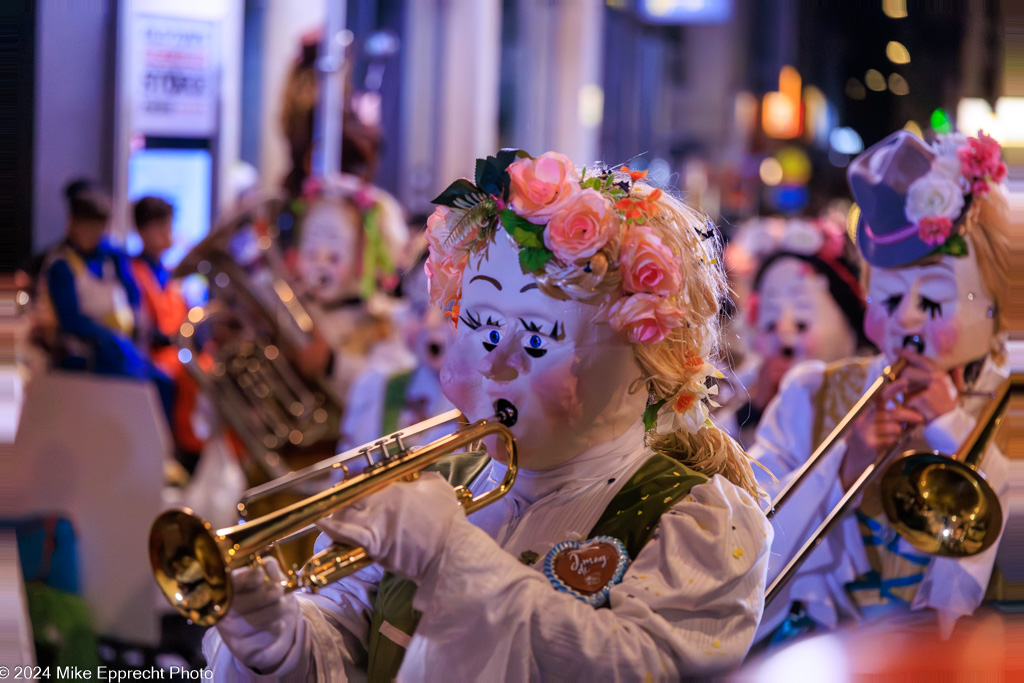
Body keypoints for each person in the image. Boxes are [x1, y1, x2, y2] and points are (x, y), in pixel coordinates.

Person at [202, 151, 774, 679]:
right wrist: (277, 640)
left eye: (539, 336)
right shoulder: (436, 482)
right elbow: (351, 644)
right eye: (482, 326)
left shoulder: (700, 520)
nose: (496, 362)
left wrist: (453, 556)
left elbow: (638, 664)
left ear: (642, 366)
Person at [751, 130, 1011, 645]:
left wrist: (956, 432)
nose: (907, 321)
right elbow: (747, 547)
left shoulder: (1013, 415)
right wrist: (844, 468)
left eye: (933, 304)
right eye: (888, 302)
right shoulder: (811, 394)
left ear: (993, 309)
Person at [719, 218, 873, 446]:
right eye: (770, 323)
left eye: (801, 322)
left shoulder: (868, 388)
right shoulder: (740, 386)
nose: (784, 331)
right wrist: (756, 407)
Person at [37, 180, 174, 421]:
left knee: (164, 381)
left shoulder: (112, 257)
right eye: (88, 226)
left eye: (99, 227)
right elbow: (70, 320)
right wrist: (108, 337)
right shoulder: (62, 264)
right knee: (146, 386)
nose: (94, 235)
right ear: (73, 223)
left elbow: (133, 295)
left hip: (125, 345)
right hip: (86, 352)